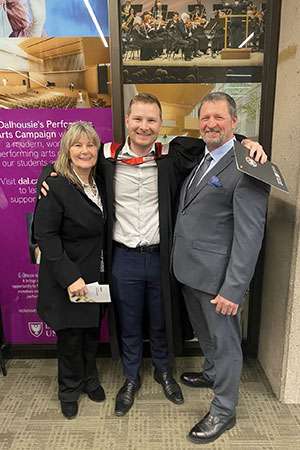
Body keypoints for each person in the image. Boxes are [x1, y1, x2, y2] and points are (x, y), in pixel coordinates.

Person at [37, 93, 267, 418]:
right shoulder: (106, 157)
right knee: (129, 323)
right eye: (138, 119)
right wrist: (46, 175)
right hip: (123, 259)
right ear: (127, 122)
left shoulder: (173, 154)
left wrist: (249, 142)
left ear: (161, 125)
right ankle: (130, 378)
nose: (144, 127)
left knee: (161, 321)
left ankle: (163, 372)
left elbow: (218, 138)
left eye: (151, 120)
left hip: (162, 258)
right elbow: (72, 163)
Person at [172, 92, 269, 444]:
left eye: (219, 118)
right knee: (207, 337)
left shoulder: (249, 166)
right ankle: (212, 373)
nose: (211, 124)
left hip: (218, 282)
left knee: (226, 344)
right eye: (205, 117)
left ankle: (224, 410)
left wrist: (233, 289)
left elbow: (250, 235)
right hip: (190, 273)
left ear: (234, 122)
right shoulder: (203, 154)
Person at [33, 121, 115, 420]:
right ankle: (68, 388)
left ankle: (89, 379)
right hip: (66, 276)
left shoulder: (100, 181)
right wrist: (70, 277)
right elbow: (46, 236)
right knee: (69, 337)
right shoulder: (54, 185)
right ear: (67, 150)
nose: (84, 150)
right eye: (77, 145)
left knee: (90, 333)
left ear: (98, 149)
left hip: (95, 275)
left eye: (90, 144)